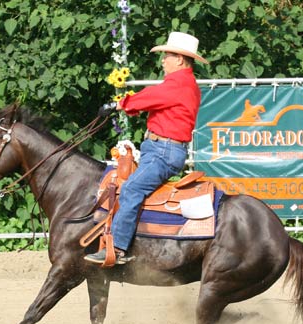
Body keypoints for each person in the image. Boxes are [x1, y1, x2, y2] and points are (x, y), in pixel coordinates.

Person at [84, 31, 209, 265]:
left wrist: (118, 105)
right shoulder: (185, 84)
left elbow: (150, 97)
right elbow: (155, 100)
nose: (163, 61)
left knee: (131, 189)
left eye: (167, 56)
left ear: (179, 60)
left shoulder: (178, 84)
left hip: (163, 152)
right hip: (163, 150)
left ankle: (118, 248)